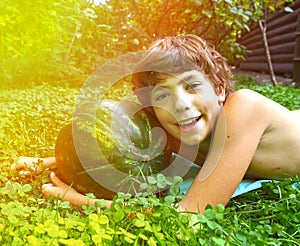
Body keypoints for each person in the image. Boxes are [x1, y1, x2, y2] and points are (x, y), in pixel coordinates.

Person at [14, 34, 300, 213]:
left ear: (220, 88)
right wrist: (45, 162)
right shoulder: (177, 127)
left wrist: (78, 199)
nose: (180, 104)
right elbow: (123, 146)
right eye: (163, 94)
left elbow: (191, 218)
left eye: (191, 86)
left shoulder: (245, 107)